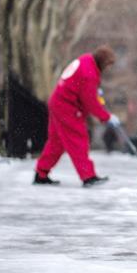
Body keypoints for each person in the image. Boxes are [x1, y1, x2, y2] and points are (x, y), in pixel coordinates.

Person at [33, 45, 121, 187]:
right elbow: (90, 102)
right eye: (108, 65)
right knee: (78, 140)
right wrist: (106, 117)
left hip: (58, 102)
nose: (108, 68)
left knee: (56, 142)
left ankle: (41, 173)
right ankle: (88, 177)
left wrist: (95, 91)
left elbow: (83, 89)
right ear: (103, 62)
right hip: (67, 107)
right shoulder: (89, 74)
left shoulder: (86, 60)